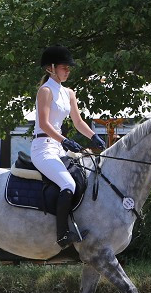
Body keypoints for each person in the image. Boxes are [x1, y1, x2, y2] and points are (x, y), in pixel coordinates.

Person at [32, 45, 107, 247]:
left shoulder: (69, 93)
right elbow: (45, 124)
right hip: (43, 148)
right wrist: (64, 140)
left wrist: (94, 137)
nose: (68, 71)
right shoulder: (45, 91)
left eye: (68, 68)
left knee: (84, 176)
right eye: (64, 67)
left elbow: (78, 122)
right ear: (51, 68)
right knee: (68, 184)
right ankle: (62, 234)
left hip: (58, 148)